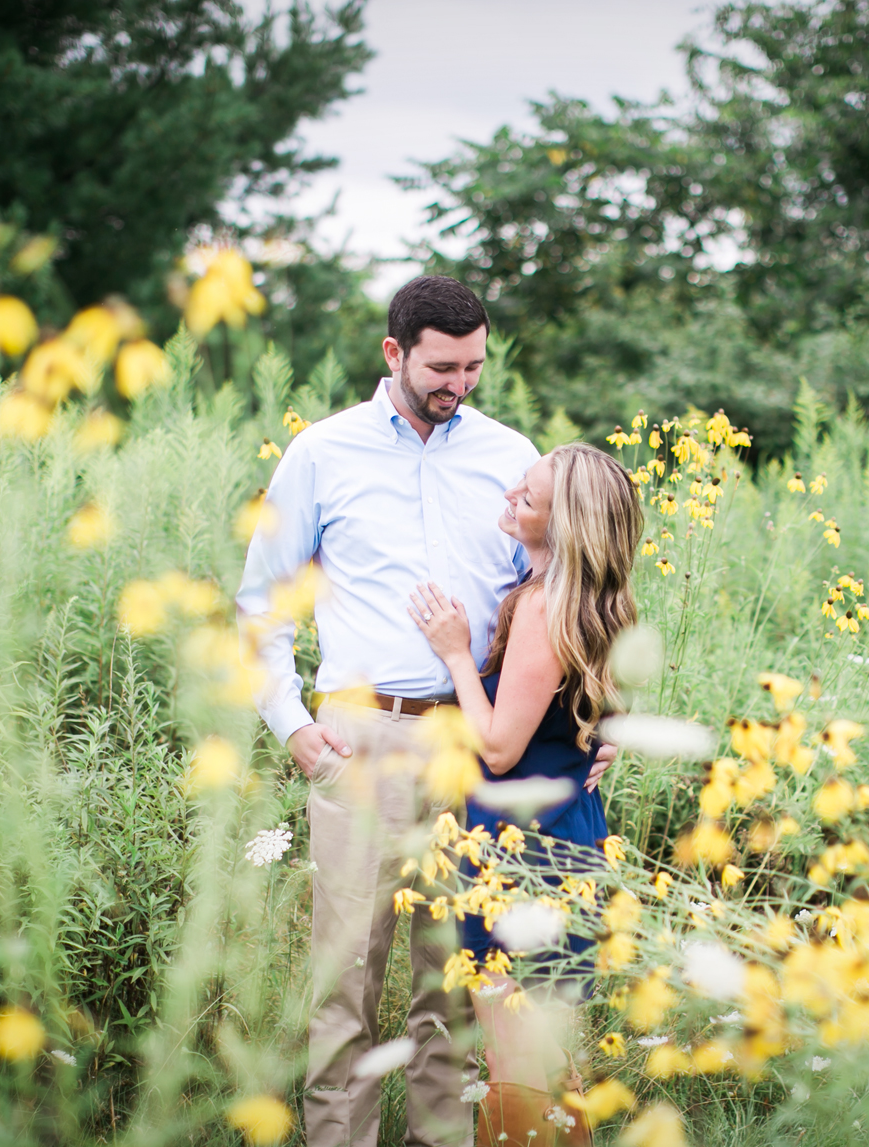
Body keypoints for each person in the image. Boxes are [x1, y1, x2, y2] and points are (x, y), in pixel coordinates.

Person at [236, 276, 616, 1147]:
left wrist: (594, 724)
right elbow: (261, 607)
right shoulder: (321, 454)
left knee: (457, 973)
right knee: (348, 973)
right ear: (394, 354)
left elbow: (572, 591)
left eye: (475, 365)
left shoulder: (508, 453)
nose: (460, 383)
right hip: (363, 734)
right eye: (443, 367)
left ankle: (443, 1139)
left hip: (486, 746)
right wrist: (295, 727)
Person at [408, 442, 644, 1147]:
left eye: (529, 495)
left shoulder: (543, 609)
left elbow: (501, 745)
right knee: (551, 1061)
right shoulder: (595, 606)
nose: (512, 494)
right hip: (564, 832)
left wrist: (454, 651)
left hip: (523, 850)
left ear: (564, 525)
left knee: (515, 1069)